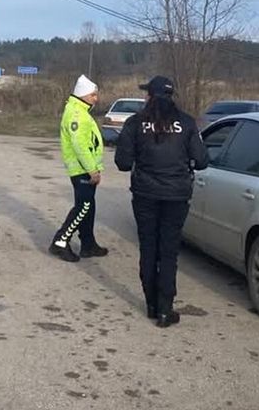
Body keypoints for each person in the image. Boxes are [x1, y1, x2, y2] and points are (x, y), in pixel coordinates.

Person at [114, 76, 209, 327]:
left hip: (145, 194)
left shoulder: (135, 123)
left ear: (150, 97)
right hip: (176, 196)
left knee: (148, 248)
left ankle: (151, 306)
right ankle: (166, 310)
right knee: (168, 252)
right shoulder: (187, 123)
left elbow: (122, 163)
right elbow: (202, 160)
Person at [49, 74, 109, 262]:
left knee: (88, 207)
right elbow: (80, 146)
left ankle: (88, 243)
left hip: (86, 168)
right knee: (83, 207)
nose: (96, 99)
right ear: (83, 95)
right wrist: (92, 170)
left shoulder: (80, 111)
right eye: (93, 95)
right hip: (82, 170)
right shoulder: (76, 114)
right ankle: (60, 241)